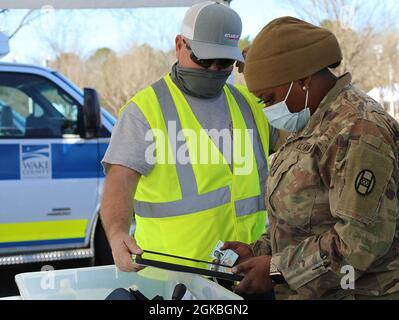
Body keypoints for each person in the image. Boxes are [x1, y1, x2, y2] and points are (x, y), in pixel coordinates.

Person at [224, 16, 399, 300]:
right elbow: (307, 219)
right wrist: (260, 252)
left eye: (269, 99)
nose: (269, 109)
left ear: (303, 80)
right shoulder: (311, 122)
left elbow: (360, 242)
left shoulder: (358, 130)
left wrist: (277, 270)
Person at [100, 1, 278, 273]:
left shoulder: (251, 106)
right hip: (175, 280)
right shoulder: (146, 110)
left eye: (225, 62)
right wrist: (116, 234)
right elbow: (120, 180)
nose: (213, 70)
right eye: (204, 60)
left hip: (245, 275)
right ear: (180, 45)